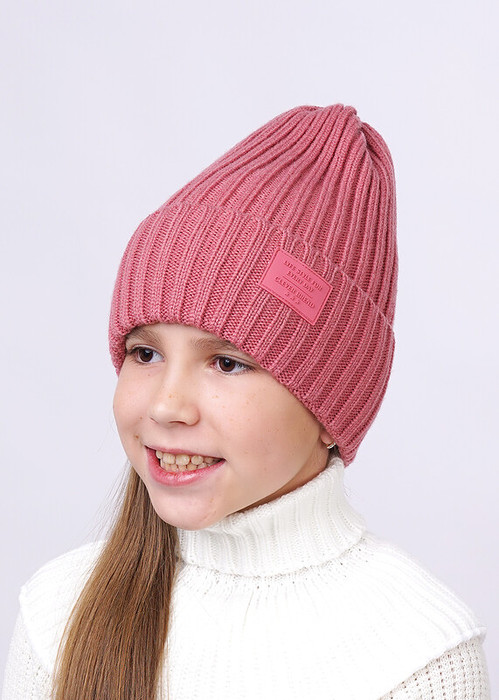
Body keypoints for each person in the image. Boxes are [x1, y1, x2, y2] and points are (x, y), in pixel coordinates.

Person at [2, 104, 490, 699]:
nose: (167, 406)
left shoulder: (416, 656)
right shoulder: (58, 614)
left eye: (227, 363)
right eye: (145, 353)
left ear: (331, 407)